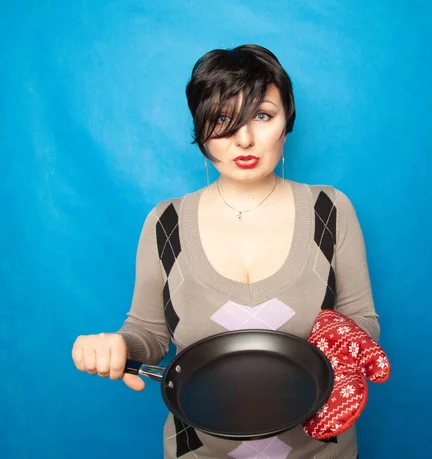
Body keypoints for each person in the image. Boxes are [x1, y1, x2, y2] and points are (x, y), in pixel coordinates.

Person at [72, 44, 383, 459]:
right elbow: (147, 334)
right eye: (223, 119)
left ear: (286, 121)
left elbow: (363, 321)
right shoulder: (165, 224)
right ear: (200, 131)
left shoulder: (330, 210)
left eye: (262, 115)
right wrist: (118, 347)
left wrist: (341, 340)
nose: (244, 138)